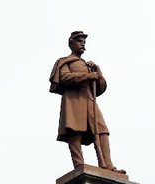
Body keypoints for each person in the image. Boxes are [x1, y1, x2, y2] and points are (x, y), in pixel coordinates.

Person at [49, 31, 125, 173]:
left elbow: (100, 88)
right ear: (71, 43)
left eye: (84, 42)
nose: (83, 44)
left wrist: (98, 73)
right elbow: (64, 78)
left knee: (102, 130)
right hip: (74, 101)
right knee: (74, 131)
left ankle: (107, 164)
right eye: (79, 41)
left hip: (89, 101)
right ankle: (79, 164)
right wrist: (88, 75)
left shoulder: (89, 65)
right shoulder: (64, 62)